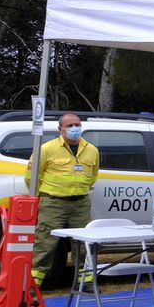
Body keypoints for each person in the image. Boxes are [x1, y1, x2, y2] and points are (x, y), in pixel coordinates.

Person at [27, 112, 100, 290]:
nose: (74, 128)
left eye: (77, 124)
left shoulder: (92, 150)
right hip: (53, 203)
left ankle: (86, 282)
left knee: (84, 244)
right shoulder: (46, 149)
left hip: (80, 203)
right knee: (45, 244)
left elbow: (93, 176)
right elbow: (31, 177)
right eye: (69, 126)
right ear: (60, 129)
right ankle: (32, 286)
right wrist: (43, 196)